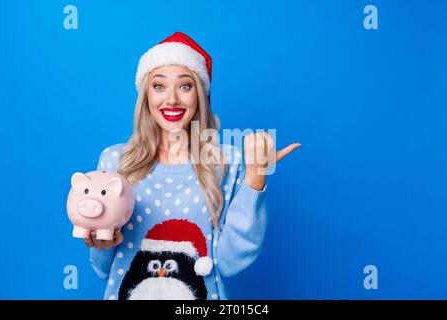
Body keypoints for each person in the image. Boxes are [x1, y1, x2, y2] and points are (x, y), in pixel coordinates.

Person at [84, 31, 301, 300]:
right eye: (159, 86)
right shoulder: (115, 161)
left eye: (185, 86)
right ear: (146, 96)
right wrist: (101, 242)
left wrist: (256, 178)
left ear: (200, 95)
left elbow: (230, 262)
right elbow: (101, 268)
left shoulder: (226, 163)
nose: (172, 99)